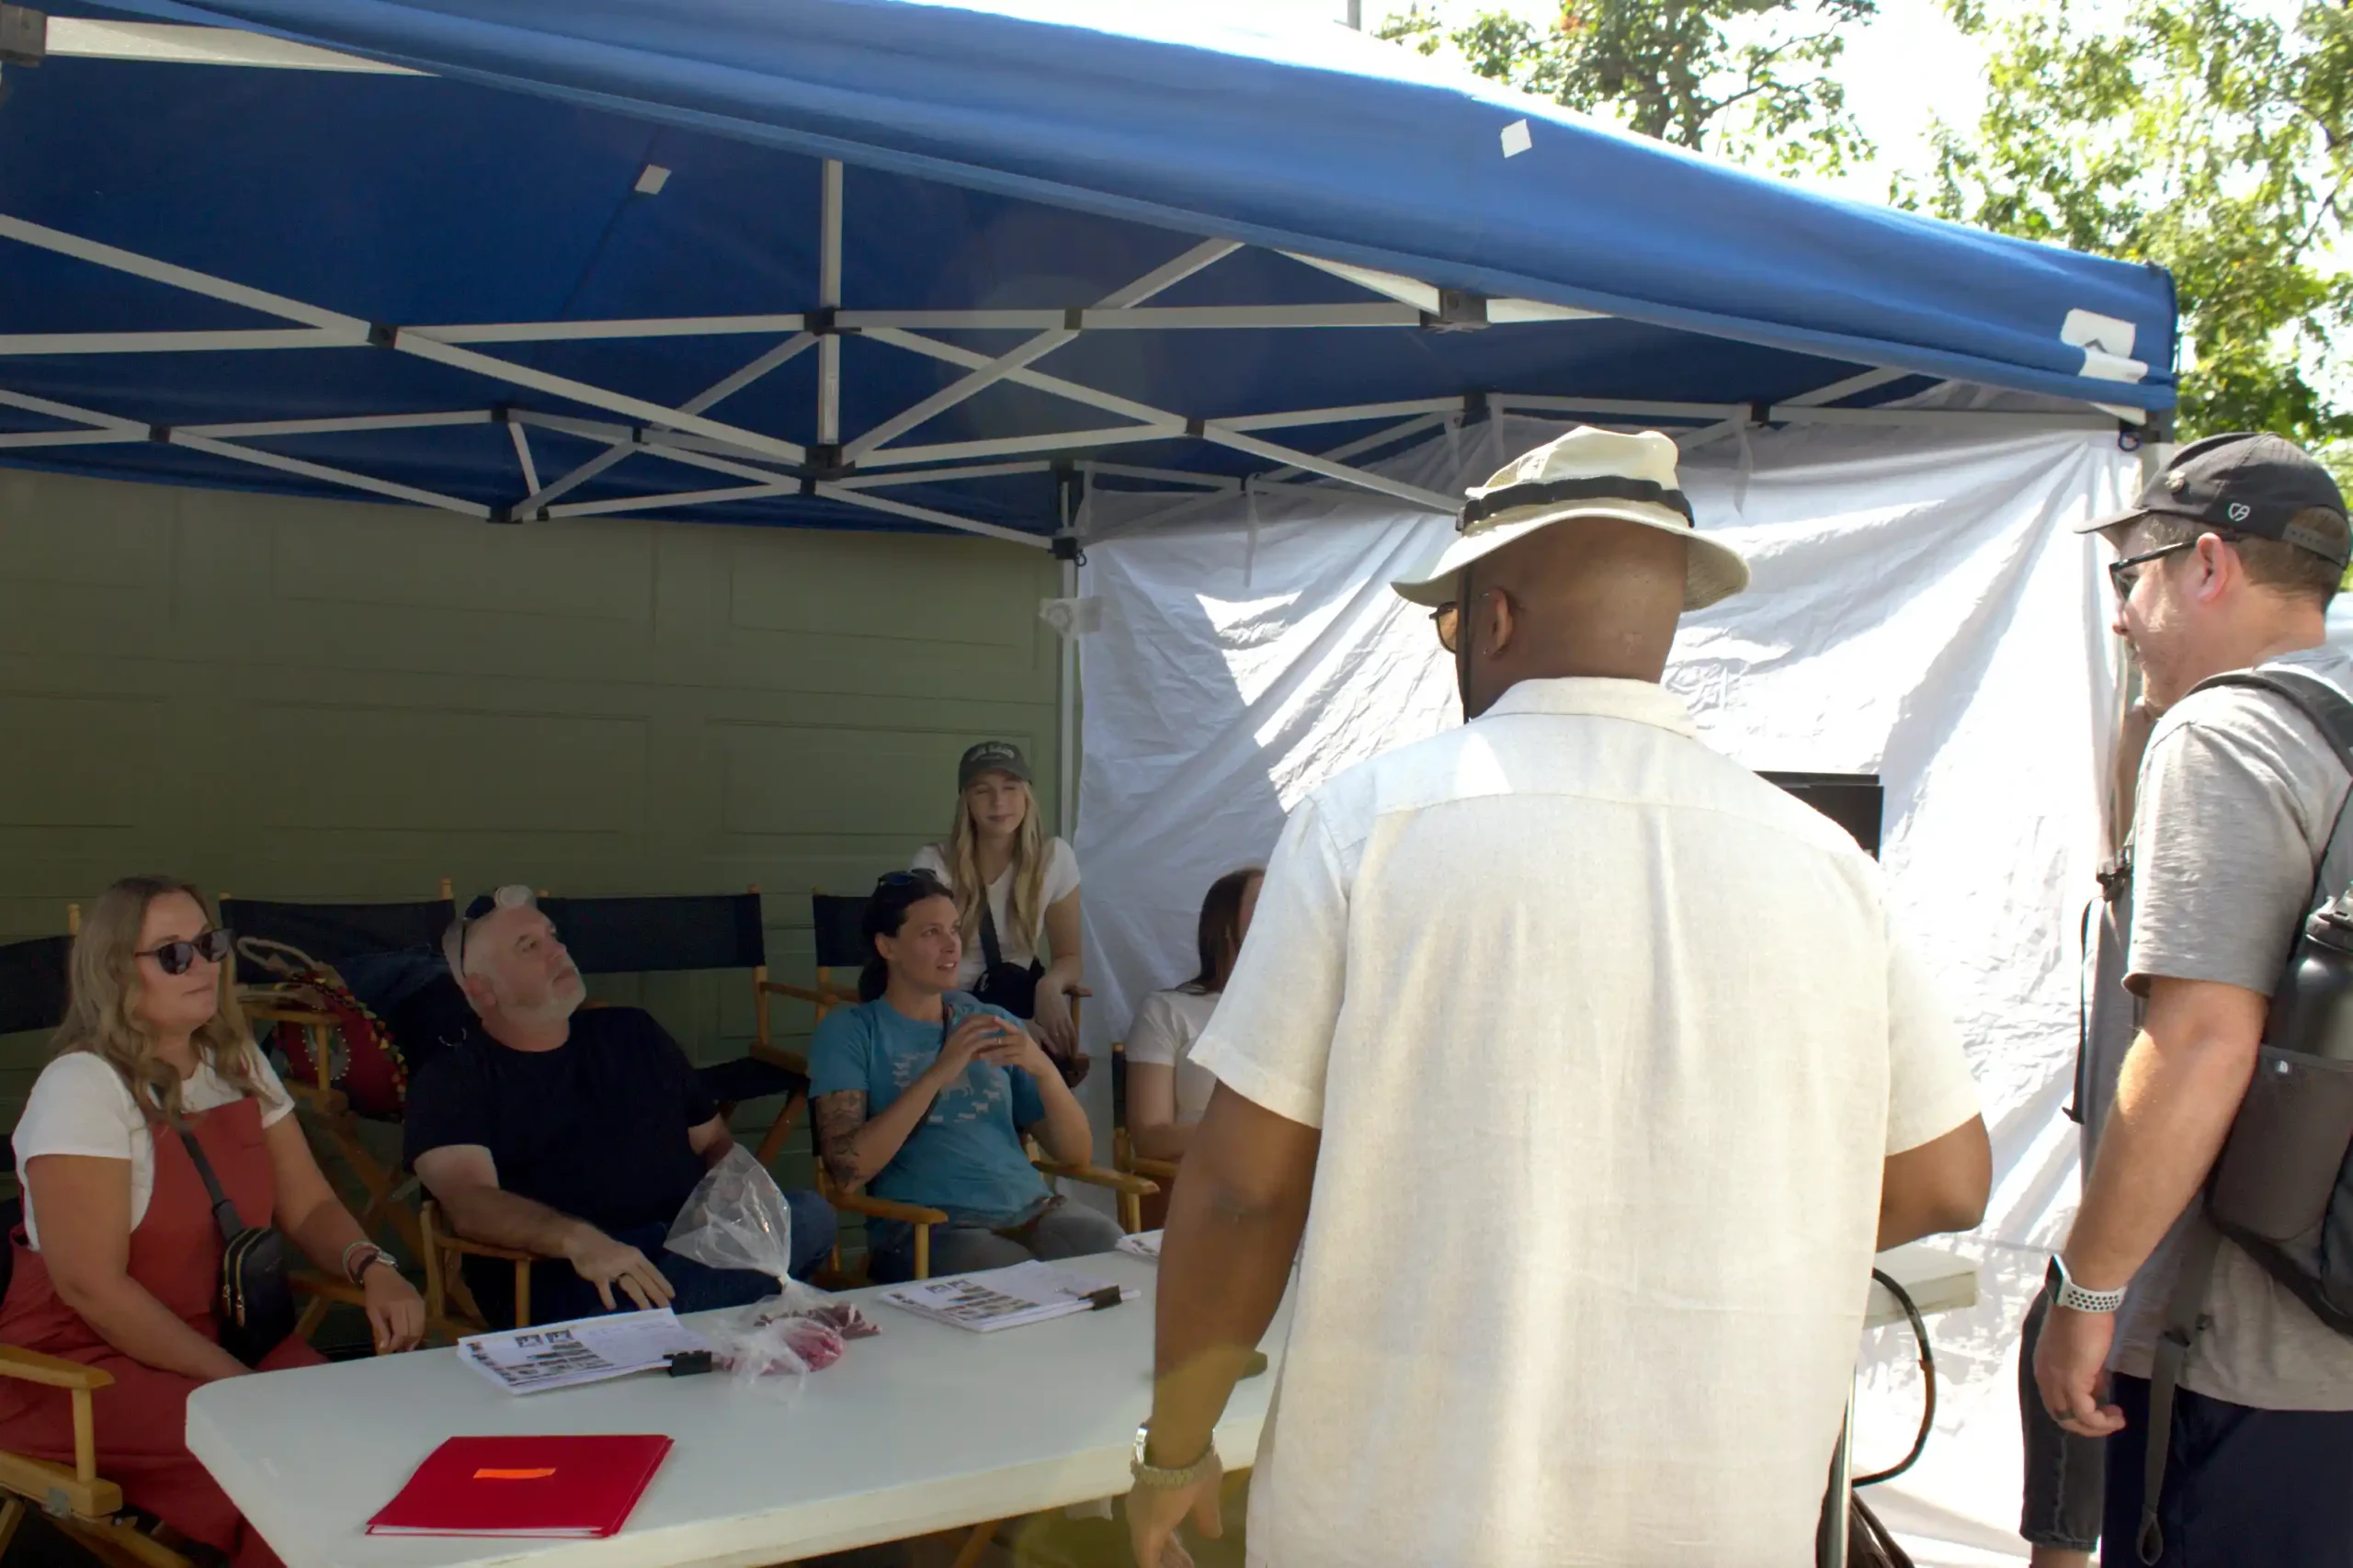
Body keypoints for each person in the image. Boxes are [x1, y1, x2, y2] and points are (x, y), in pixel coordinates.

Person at [1125, 426, 1991, 1568]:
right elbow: (1944, 1177)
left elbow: (1242, 1192)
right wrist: (1694, 1219)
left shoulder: (1365, 829)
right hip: (1718, 1524)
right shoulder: (1830, 865)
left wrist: (1174, 1452)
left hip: (1401, 1523)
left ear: (1490, 617)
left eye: (1446, 620)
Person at [2033, 432, 2353, 1566]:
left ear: (2206, 564)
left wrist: (2084, 1289)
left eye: (2131, 576)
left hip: (2247, 1362)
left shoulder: (2232, 733)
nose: (2120, 616)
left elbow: (2200, 1044)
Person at [0, 876, 426, 1568]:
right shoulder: (82, 1087)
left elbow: (310, 1203)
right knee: (282, 1473)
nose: (205, 965)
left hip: (229, 1331)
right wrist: (232, 1382)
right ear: (114, 971)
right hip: (85, 1368)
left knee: (375, 1444)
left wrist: (371, 1266)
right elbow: (92, 1291)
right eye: (173, 954)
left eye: (210, 943)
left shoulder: (236, 1059)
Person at [404, 887, 835, 1326]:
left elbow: (713, 1141)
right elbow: (469, 1202)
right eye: (529, 946)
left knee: (808, 1215)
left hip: (689, 1250)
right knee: (759, 1273)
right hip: (576, 1278)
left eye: (552, 936)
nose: (558, 950)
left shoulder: (633, 1032)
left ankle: (672, 1324)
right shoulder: (454, 1076)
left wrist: (727, 1196)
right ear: (482, 989)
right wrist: (578, 1240)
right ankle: (678, 1321)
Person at [809, 870, 1121, 1282]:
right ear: (887, 946)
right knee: (1018, 1283)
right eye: (930, 933)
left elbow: (1075, 1153)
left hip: (1034, 1209)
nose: (951, 944)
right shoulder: (851, 1031)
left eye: (954, 929)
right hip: (932, 1226)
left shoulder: (990, 1020)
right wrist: (940, 1071)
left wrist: (1041, 1066)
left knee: (1115, 1255)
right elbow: (847, 1172)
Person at [911, 742, 1086, 1055]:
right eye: (982, 791)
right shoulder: (933, 864)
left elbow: (1069, 957)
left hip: (1017, 999)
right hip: (946, 1006)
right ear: (965, 800)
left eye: (1010, 787)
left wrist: (1049, 987)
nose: (998, 802)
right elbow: (922, 967)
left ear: (1027, 795)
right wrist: (1007, 1025)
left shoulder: (1054, 858)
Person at [1125, 868, 1264, 1165]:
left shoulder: (1305, 1017)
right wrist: (1244, 1133)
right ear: (1225, 925)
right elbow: (1149, 1138)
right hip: (1205, 1183)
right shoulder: (1166, 1011)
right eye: (1265, 900)